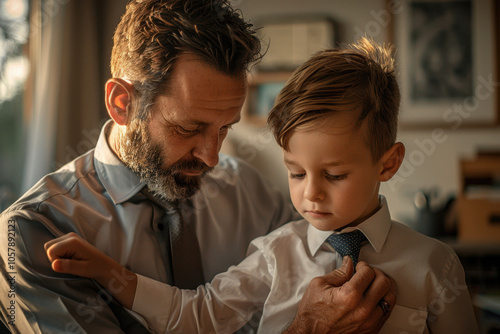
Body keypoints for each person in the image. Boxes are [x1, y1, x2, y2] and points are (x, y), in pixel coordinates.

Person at [0, 1, 394, 333]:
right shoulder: (32, 231)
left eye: (225, 129)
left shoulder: (248, 192)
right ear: (122, 103)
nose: (212, 157)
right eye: (189, 128)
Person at [44, 37, 479, 333]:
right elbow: (195, 315)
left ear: (389, 163)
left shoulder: (435, 264)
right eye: (296, 172)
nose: (311, 193)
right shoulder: (274, 255)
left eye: (335, 175)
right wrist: (110, 273)